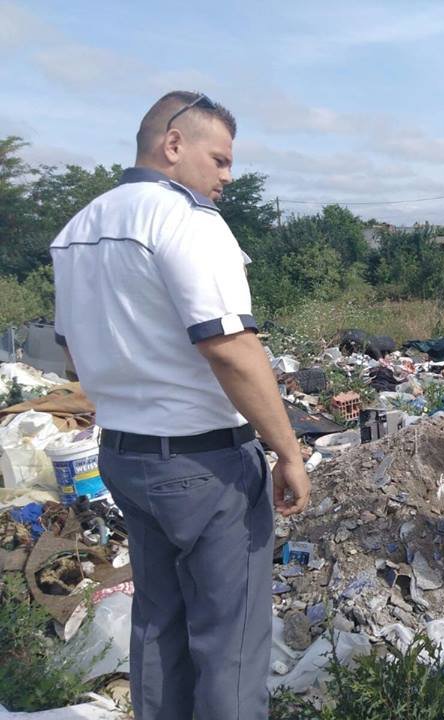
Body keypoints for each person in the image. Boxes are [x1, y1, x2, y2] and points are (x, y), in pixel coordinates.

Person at [51, 91, 311, 720]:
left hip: (124, 457)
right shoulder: (186, 221)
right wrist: (288, 451)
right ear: (173, 144)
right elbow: (230, 349)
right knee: (230, 640)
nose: (228, 176)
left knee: (158, 625)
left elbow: (69, 358)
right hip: (204, 466)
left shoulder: (77, 230)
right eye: (219, 159)